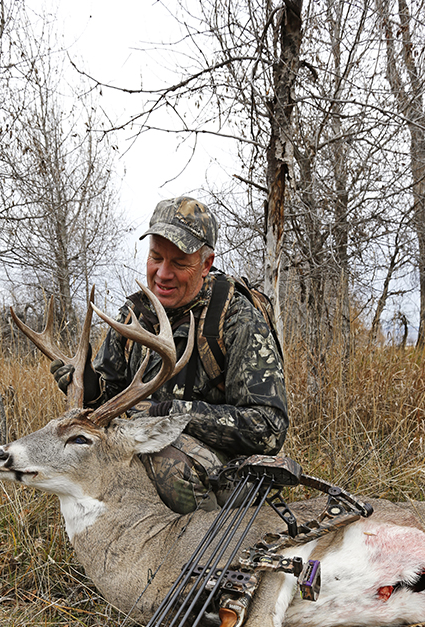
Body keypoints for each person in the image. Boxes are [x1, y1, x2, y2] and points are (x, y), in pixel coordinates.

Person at [52, 196, 289, 514]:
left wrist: (171, 412)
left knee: (164, 460)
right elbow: (108, 401)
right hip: (147, 442)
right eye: (155, 258)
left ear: (205, 265)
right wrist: (90, 386)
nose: (162, 274)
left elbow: (268, 428)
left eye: (179, 263)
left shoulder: (235, 317)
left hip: (226, 471)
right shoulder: (134, 313)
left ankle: (203, 549)